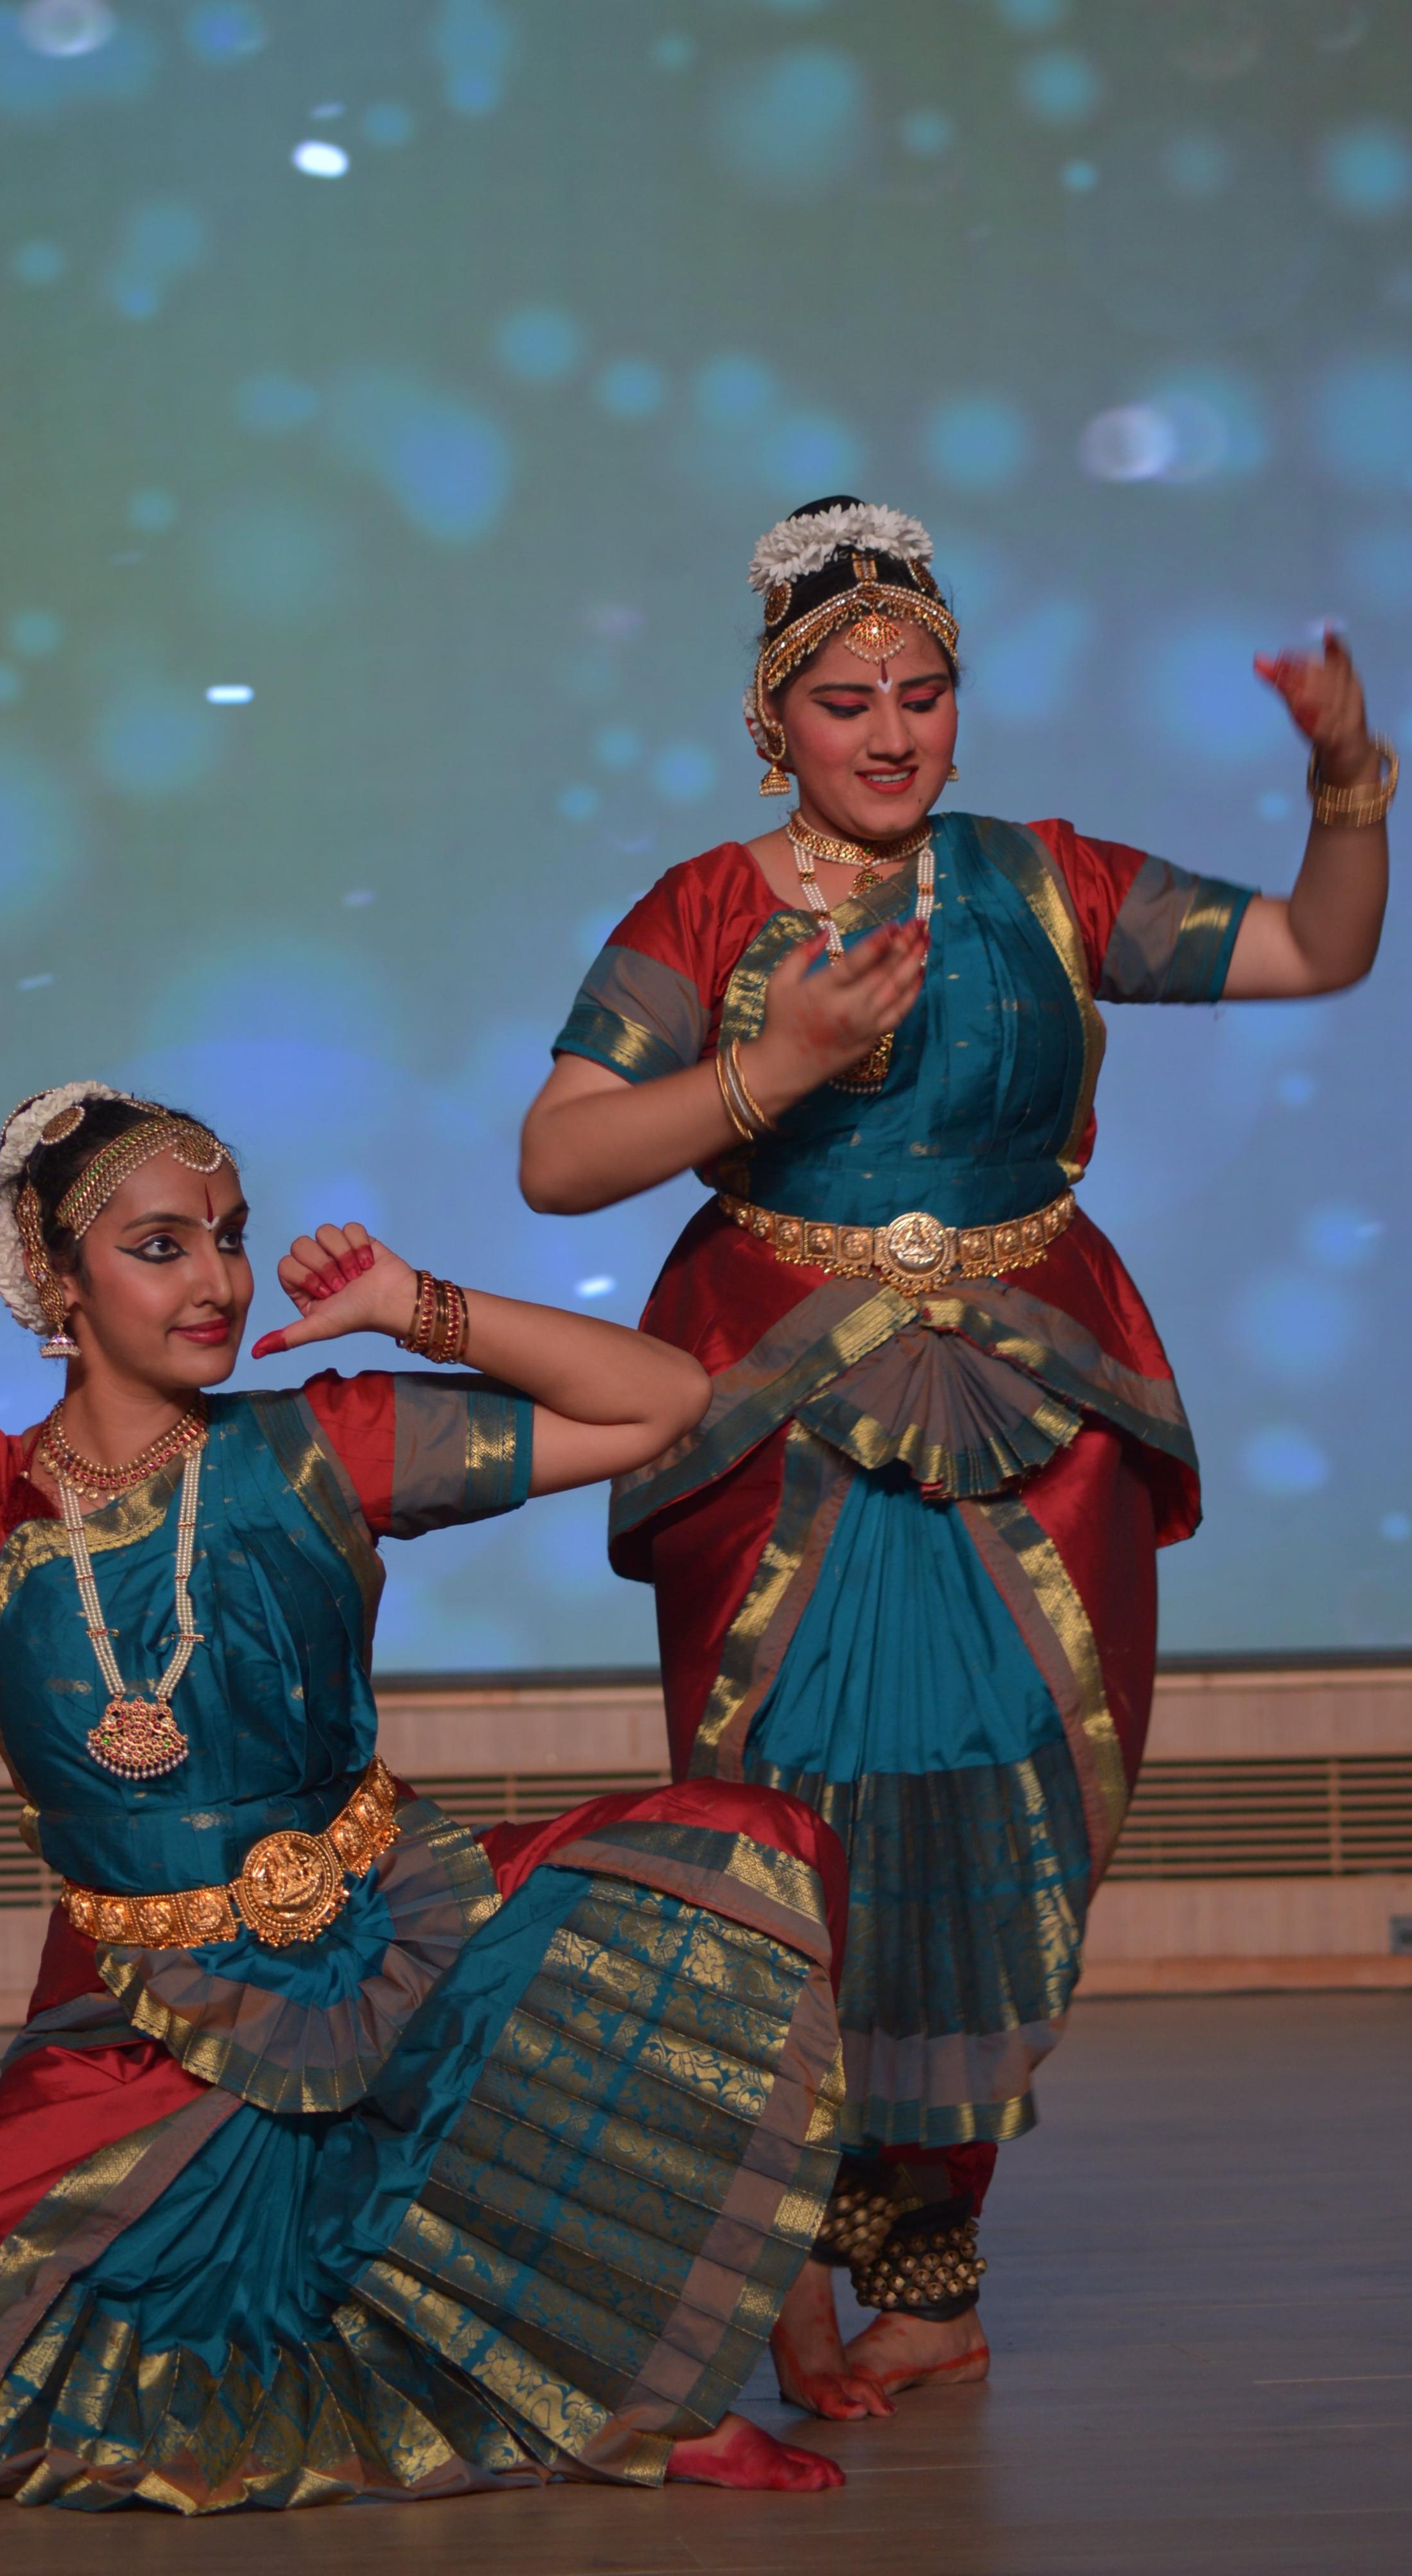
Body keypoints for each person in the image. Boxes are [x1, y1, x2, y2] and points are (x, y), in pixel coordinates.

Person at [0, 876, 865, 2512]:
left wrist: (410, 1305)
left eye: (224, 1235)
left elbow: (658, 1403)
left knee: (740, 1853)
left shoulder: (319, 1447)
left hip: (399, 1949)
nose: (215, 1277)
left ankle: (618, 2377)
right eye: (160, 1247)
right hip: (138, 2019)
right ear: (56, 1277)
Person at [519, 495, 1392, 2419]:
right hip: (781, 1422)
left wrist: (1345, 779)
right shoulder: (706, 911)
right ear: (773, 718)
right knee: (788, 1833)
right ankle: (774, 2253)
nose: (891, 733)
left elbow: (1318, 947)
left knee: (1008, 1834)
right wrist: (772, 1065)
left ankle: (929, 2279)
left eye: (921, 695)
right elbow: (556, 1156)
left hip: (1035, 1415)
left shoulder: (1044, 881)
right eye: (846, 702)